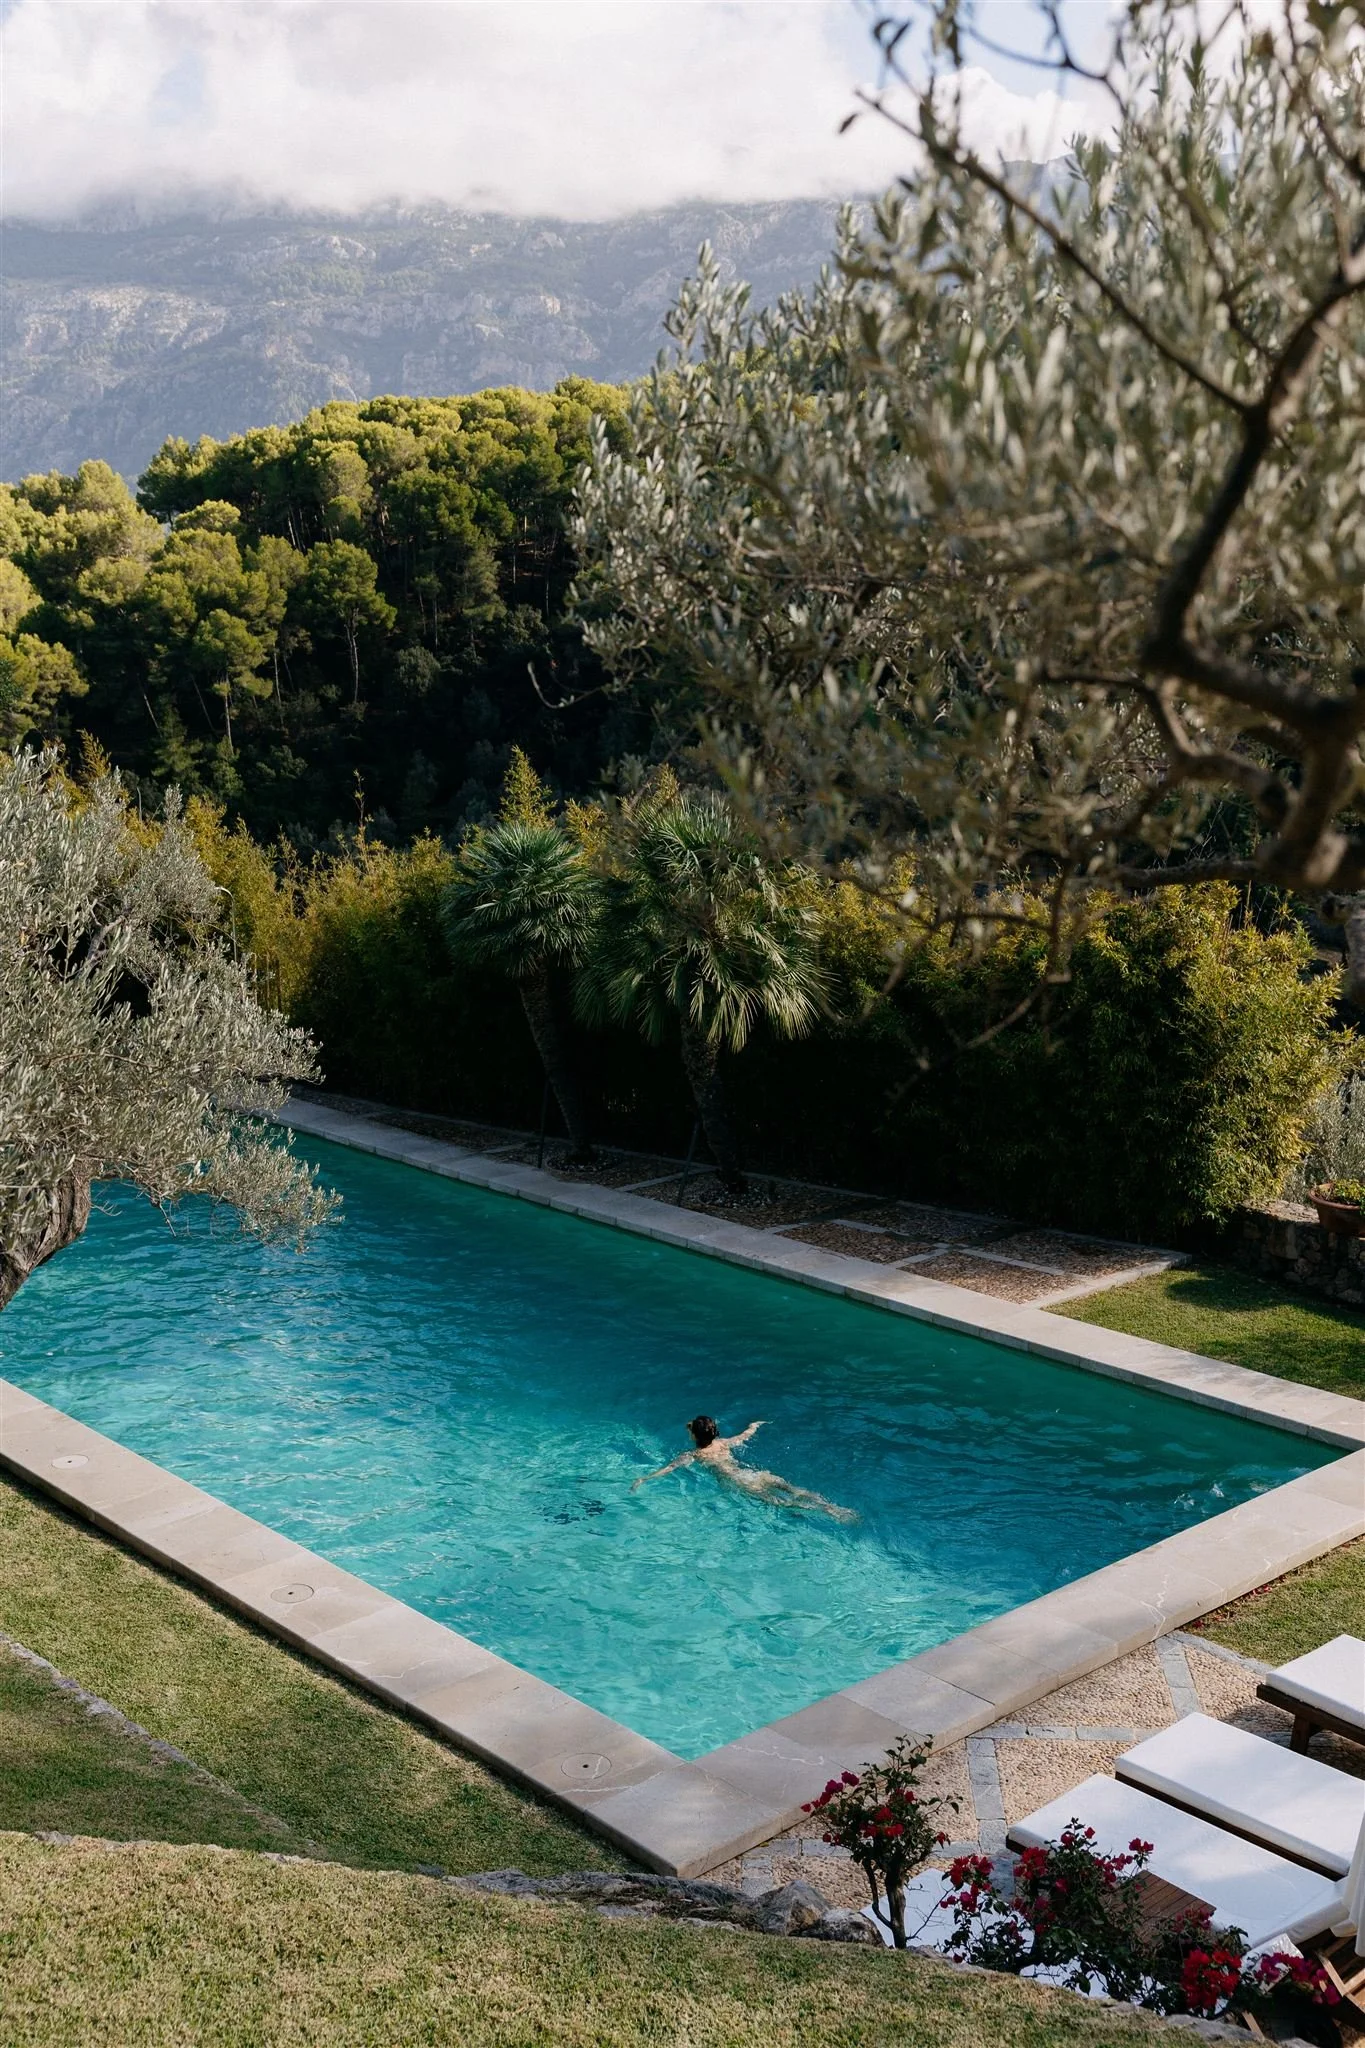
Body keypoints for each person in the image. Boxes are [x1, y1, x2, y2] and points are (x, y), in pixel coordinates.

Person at [631, 1415, 858, 1522]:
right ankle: (831, 1506)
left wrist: (644, 1479)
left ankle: (828, 1513)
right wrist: (754, 1425)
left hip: (741, 1482)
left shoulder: (694, 1455)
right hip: (756, 1474)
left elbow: (669, 1469)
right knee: (794, 1489)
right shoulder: (723, 1443)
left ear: (694, 1436)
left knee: (783, 1503)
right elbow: (745, 1436)